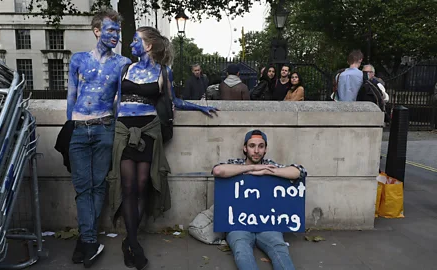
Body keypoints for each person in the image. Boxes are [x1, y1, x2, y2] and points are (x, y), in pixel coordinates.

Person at [105, 26, 218, 270]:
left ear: (148, 46)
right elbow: (115, 102)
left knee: (143, 184)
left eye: (136, 40)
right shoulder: (125, 69)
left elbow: (174, 101)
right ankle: (134, 243)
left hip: (149, 130)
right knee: (128, 186)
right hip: (124, 130)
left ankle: (129, 241)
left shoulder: (163, 71)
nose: (131, 44)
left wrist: (199, 107)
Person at [66, 9, 131, 268]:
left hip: (105, 127)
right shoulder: (79, 59)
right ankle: (89, 239)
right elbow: (71, 96)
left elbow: (120, 101)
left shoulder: (122, 63)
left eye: (118, 31)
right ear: (97, 31)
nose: (115, 35)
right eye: (110, 30)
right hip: (79, 129)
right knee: (83, 187)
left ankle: (86, 240)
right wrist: (70, 126)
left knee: (98, 185)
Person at [212, 130, 307, 270]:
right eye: (252, 146)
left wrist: (267, 171)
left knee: (279, 248)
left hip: (267, 224)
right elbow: (218, 171)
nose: (256, 150)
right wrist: (252, 167)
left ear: (265, 149)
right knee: (241, 250)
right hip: (239, 224)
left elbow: (299, 171)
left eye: (261, 146)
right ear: (245, 148)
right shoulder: (235, 164)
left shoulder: (270, 165)